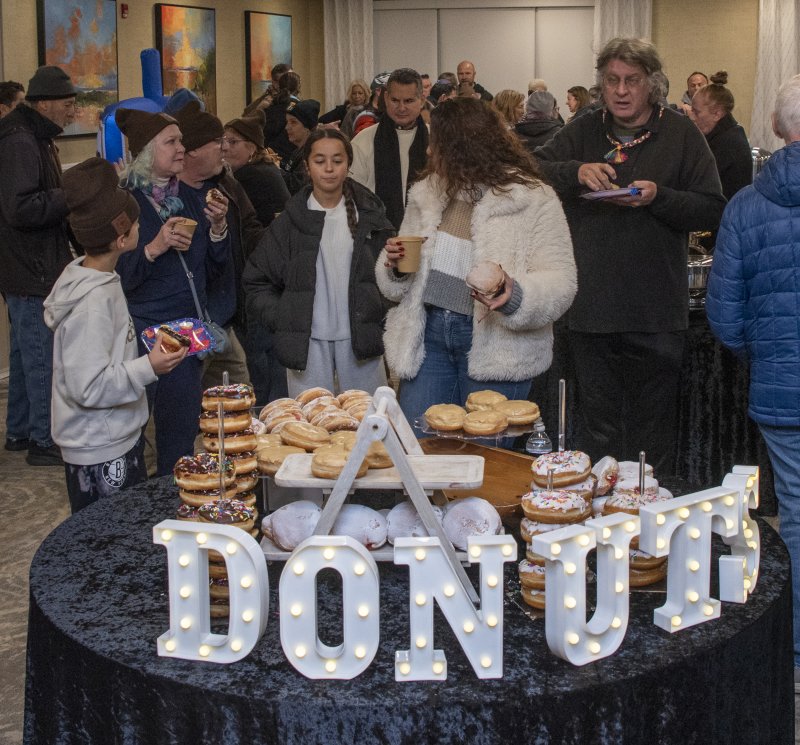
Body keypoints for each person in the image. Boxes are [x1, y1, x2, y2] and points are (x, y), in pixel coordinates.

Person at [534, 37, 726, 474]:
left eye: (631, 81)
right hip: (592, 312)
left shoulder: (680, 133)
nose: (620, 91)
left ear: (652, 85)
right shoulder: (584, 128)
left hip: (656, 314)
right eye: (611, 81)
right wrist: (574, 172)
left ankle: (646, 530)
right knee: (596, 434)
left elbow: (713, 206)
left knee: (651, 436)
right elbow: (528, 168)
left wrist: (659, 198)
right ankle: (602, 527)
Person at [376, 97, 576, 426]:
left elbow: (562, 282)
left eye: (435, 142)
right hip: (428, 339)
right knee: (420, 451)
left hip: (497, 347)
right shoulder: (426, 193)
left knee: (487, 460)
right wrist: (395, 266)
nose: (428, 151)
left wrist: (516, 296)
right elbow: (398, 281)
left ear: (462, 146)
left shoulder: (533, 199)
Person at [706, 73, 800, 688]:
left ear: (774, 126)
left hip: (780, 390)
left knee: (793, 515)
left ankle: (792, 649)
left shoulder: (746, 204)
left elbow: (724, 315)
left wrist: (765, 354)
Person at [43, 158, 187, 513]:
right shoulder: (91, 303)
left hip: (114, 437)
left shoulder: (99, 279)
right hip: (100, 449)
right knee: (110, 543)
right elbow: (89, 385)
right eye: (137, 221)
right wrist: (148, 367)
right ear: (123, 237)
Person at [115, 107, 231, 476]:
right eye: (172, 141)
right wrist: (154, 247)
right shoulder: (125, 206)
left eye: (181, 140)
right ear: (148, 151)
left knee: (180, 434)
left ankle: (172, 504)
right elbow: (117, 277)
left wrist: (218, 228)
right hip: (141, 333)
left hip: (185, 333)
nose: (183, 148)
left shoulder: (194, 197)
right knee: (132, 436)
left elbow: (211, 269)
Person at [243, 128, 396, 396]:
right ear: (306, 165)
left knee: (370, 424)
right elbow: (256, 280)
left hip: (362, 338)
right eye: (319, 161)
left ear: (348, 164)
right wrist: (285, 317)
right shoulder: (290, 221)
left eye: (337, 161)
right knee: (312, 426)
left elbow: (391, 279)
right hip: (307, 345)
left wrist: (378, 311)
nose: (329, 169)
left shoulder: (371, 217)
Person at [0, 66, 77, 466]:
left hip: (25, 265)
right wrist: (69, 196)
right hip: (31, 267)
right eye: (67, 104)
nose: (72, 112)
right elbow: (20, 208)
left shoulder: (30, 135)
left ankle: (19, 430)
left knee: (24, 351)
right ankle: (44, 440)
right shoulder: (20, 140)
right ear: (44, 103)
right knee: (41, 355)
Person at [173, 100, 265, 390]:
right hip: (191, 328)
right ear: (194, 150)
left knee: (240, 401)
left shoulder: (225, 187)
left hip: (224, 322)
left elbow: (248, 232)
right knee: (183, 411)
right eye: (217, 141)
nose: (224, 147)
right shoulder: (168, 198)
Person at [350, 67, 428, 230]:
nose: (401, 108)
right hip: (377, 236)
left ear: (421, 100)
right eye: (395, 100)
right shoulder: (363, 141)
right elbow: (353, 197)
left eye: (408, 101)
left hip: (428, 236)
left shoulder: (437, 140)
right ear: (385, 98)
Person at [689, 71, 752, 200]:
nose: (692, 118)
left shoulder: (728, 145)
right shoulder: (725, 135)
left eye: (697, 112)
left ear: (717, 114)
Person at [222, 109, 290, 228]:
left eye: (233, 142)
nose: (225, 147)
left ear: (252, 148)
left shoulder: (251, 175)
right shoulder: (264, 167)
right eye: (224, 141)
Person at [280, 99, 321, 194]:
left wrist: (274, 170)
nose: (287, 127)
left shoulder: (311, 153)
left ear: (307, 128)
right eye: (287, 122)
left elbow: (296, 185)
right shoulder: (298, 151)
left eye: (293, 122)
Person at [263, 70, 301, 161]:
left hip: (269, 156)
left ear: (279, 87)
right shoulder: (300, 108)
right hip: (291, 157)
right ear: (298, 87)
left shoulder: (269, 106)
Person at [341, 72, 389, 138]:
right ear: (378, 91)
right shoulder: (355, 112)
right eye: (354, 93)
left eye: (360, 93)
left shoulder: (386, 111)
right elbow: (345, 136)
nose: (357, 96)